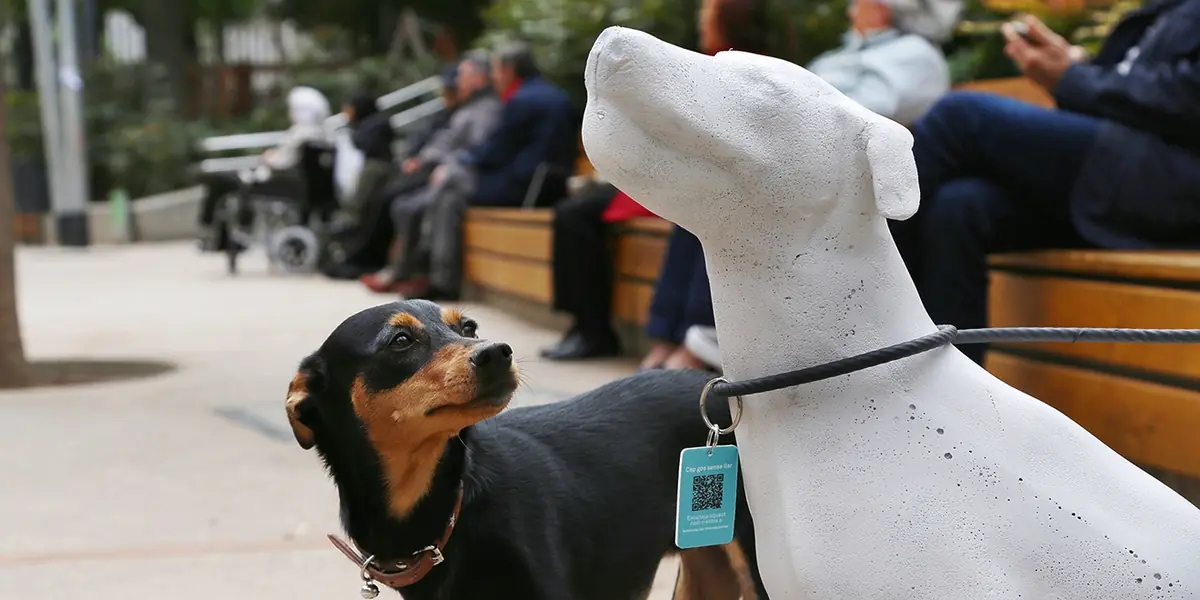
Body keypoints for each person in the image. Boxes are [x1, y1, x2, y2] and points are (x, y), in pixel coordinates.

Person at [888, 3, 1200, 366]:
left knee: (958, 118)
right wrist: (1075, 66)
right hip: (1123, 176)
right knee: (960, 207)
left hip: (1168, 184)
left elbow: (1186, 97)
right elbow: (1139, 88)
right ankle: (943, 392)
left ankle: (859, 304)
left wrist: (1073, 77)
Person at [681, 0, 962, 368]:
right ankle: (681, 336)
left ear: (884, 8)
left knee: (741, 188)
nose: (850, 9)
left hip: (852, 172)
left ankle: (711, 338)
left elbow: (870, 109)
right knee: (706, 185)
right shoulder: (844, 54)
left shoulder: (915, 55)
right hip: (812, 163)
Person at [396, 42, 578, 301]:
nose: (494, 77)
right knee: (449, 196)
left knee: (449, 183)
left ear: (509, 69)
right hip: (551, 182)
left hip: (525, 185)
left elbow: (494, 151)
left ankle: (436, 277)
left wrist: (458, 165)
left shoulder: (522, 100)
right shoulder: (552, 94)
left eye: (495, 70)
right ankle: (436, 277)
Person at [360, 52, 504, 294]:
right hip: (448, 173)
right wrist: (424, 159)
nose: (458, 80)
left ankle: (420, 275)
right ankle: (406, 271)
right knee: (403, 203)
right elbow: (445, 141)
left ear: (480, 78)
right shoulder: (470, 107)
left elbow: (477, 149)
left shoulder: (487, 109)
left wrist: (445, 165)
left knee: (417, 205)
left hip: (463, 177)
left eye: (463, 74)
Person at [322, 67, 461, 280]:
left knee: (390, 201)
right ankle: (369, 260)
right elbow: (422, 141)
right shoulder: (444, 114)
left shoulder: (461, 115)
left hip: (436, 171)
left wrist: (422, 160)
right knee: (386, 201)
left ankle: (386, 265)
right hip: (417, 168)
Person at [196, 86, 332, 252]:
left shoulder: (302, 134)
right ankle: (219, 233)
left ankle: (212, 226)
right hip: (282, 181)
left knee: (219, 180)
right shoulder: (318, 134)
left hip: (272, 182)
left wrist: (269, 157)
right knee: (223, 182)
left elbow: (283, 163)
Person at [340, 91, 396, 225]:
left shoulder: (377, 124)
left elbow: (364, 143)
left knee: (358, 202)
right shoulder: (369, 124)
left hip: (378, 166)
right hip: (372, 164)